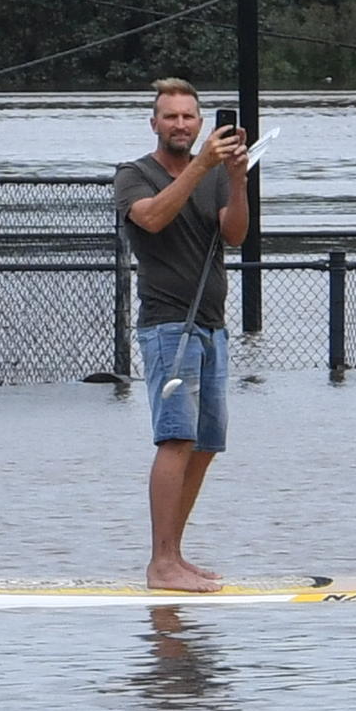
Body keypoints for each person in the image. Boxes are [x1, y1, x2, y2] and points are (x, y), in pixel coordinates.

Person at [113, 77, 252, 591]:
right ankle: (159, 564)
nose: (180, 124)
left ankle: (175, 554)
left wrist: (236, 178)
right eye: (170, 116)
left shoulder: (214, 173)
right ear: (154, 123)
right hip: (168, 323)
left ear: (200, 122)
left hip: (212, 326)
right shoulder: (134, 175)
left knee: (205, 444)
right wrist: (201, 166)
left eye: (189, 117)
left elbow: (234, 234)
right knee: (176, 438)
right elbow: (151, 219)